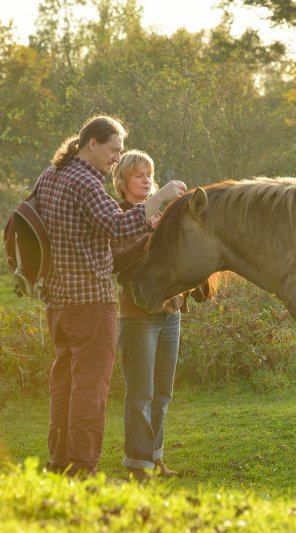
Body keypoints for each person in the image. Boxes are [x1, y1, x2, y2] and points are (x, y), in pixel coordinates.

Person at [35, 115, 186, 477]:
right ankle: (83, 469)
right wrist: (161, 198)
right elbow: (116, 226)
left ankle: (61, 463)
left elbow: (31, 220)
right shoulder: (85, 181)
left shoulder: (50, 175)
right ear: (92, 144)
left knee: (65, 386)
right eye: (114, 149)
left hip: (57, 301)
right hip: (90, 300)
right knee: (91, 389)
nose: (117, 157)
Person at [111, 150, 185, 480]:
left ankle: (155, 459)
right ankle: (137, 464)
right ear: (122, 181)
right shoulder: (118, 215)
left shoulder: (162, 214)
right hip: (137, 315)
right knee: (140, 393)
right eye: (138, 174)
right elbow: (117, 261)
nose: (145, 179)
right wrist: (149, 235)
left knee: (163, 393)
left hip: (170, 314)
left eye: (148, 174)